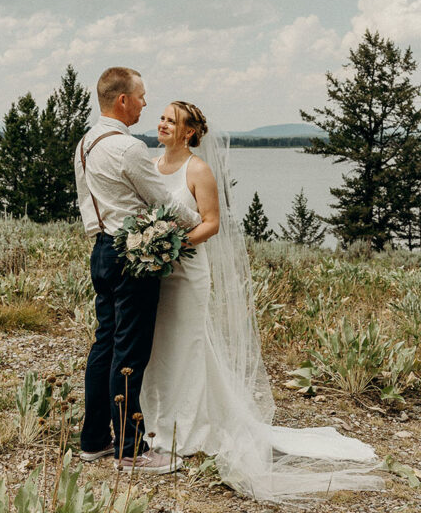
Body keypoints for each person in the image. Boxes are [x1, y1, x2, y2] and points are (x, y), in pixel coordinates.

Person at [141, 101, 382, 503]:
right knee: (160, 346)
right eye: (163, 118)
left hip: (188, 272)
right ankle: (157, 420)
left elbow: (211, 222)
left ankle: (190, 427)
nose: (163, 124)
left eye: (172, 121)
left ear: (189, 133)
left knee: (189, 344)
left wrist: (172, 244)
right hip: (158, 274)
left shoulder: (198, 170)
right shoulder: (151, 166)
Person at [74, 67, 201, 473]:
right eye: (142, 97)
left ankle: (93, 440)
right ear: (122, 101)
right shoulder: (128, 149)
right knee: (130, 352)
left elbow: (85, 204)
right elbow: (163, 201)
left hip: (101, 251)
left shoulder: (85, 144)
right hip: (131, 256)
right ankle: (131, 450)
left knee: (105, 345)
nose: (146, 104)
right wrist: (197, 219)